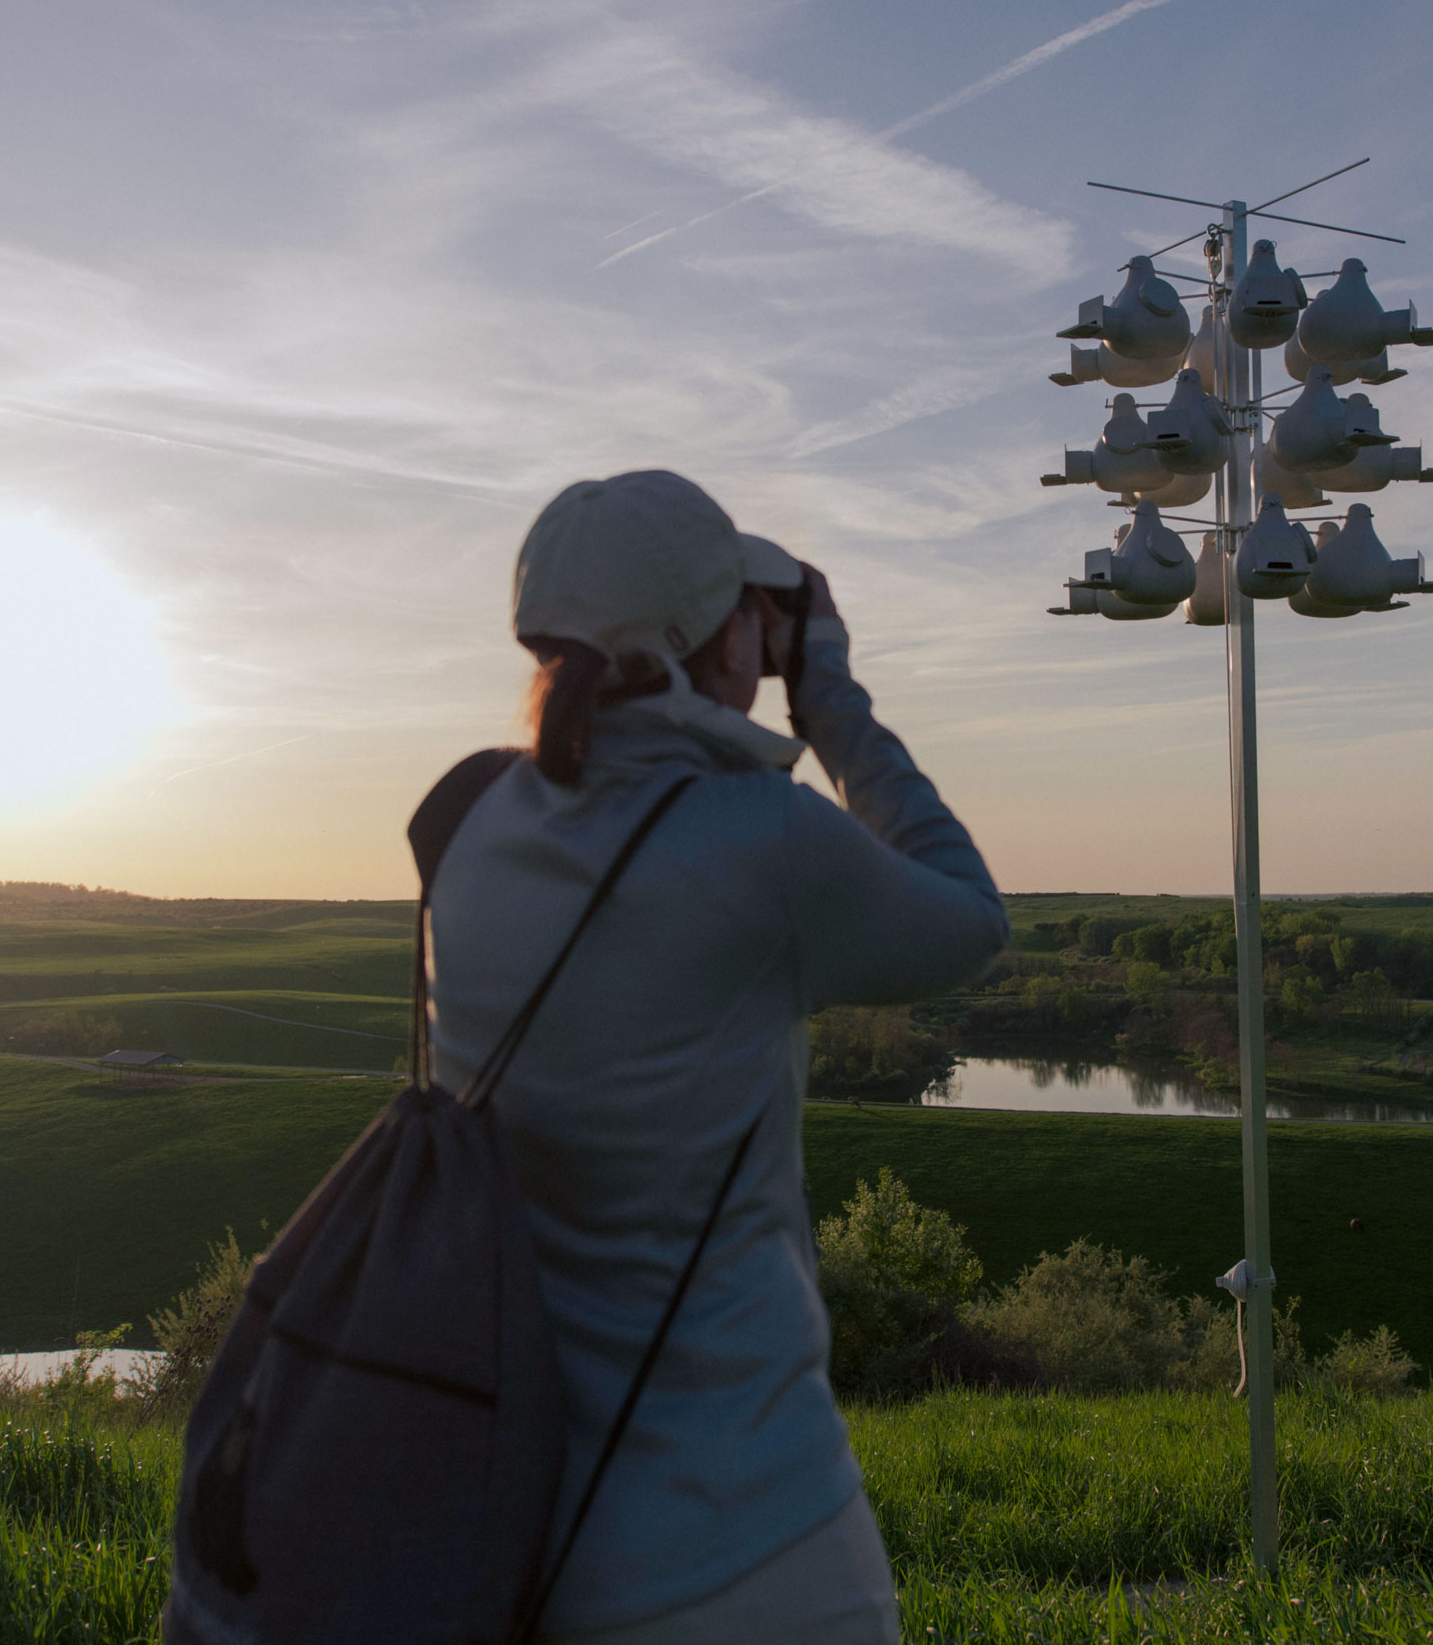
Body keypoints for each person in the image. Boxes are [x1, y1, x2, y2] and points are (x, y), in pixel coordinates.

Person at [425, 469, 1008, 1645]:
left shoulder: (468, 828)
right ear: (720, 636)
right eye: (750, 604)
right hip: (747, 1531)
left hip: (516, 1520)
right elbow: (969, 918)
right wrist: (829, 697)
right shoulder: (761, 843)